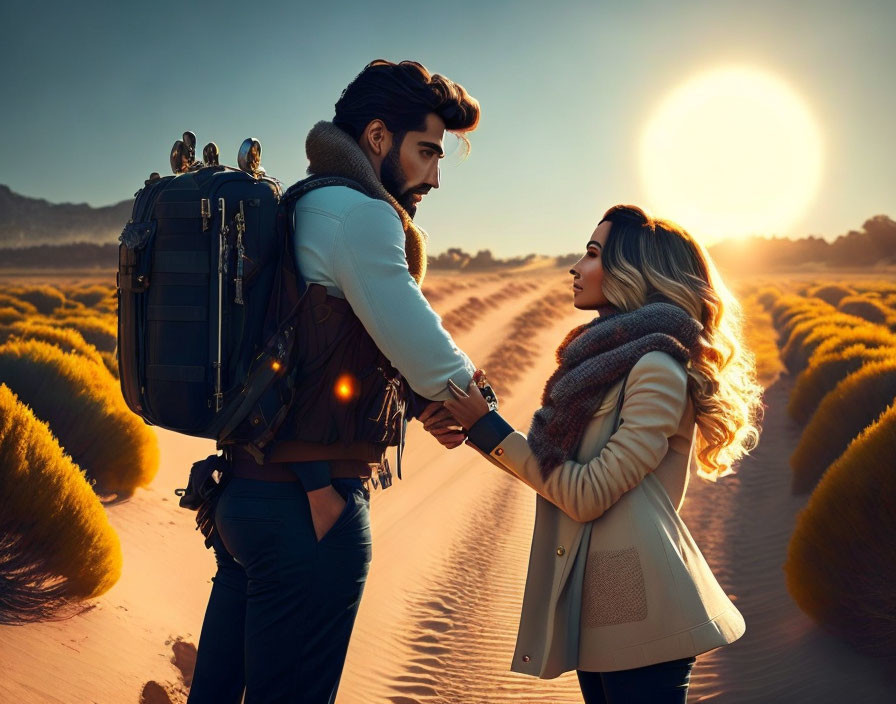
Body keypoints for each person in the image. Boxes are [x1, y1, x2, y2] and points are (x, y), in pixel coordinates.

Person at [188, 60, 482, 704]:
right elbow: (419, 342)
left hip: (244, 497)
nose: (435, 175)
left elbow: (330, 349)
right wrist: (471, 396)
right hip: (307, 510)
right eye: (427, 151)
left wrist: (414, 398)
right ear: (377, 138)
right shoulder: (360, 215)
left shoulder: (302, 202)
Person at [436, 205, 763, 704]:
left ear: (634, 271)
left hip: (644, 609)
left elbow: (585, 494)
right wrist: (484, 423)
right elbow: (558, 464)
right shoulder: (606, 362)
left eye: (592, 254)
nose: (575, 267)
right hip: (599, 605)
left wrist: (488, 428)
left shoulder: (656, 366)